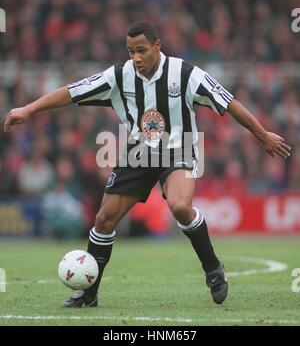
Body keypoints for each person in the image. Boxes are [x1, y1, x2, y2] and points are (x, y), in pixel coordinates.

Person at [4, 22, 291, 308]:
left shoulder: (186, 74)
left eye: (141, 50)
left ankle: (213, 267)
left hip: (179, 149)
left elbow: (229, 103)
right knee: (104, 219)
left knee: (180, 206)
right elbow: (72, 91)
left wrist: (262, 135)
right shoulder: (119, 76)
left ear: (157, 46)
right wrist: (29, 109)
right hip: (139, 152)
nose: (136, 58)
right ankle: (88, 294)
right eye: (131, 52)